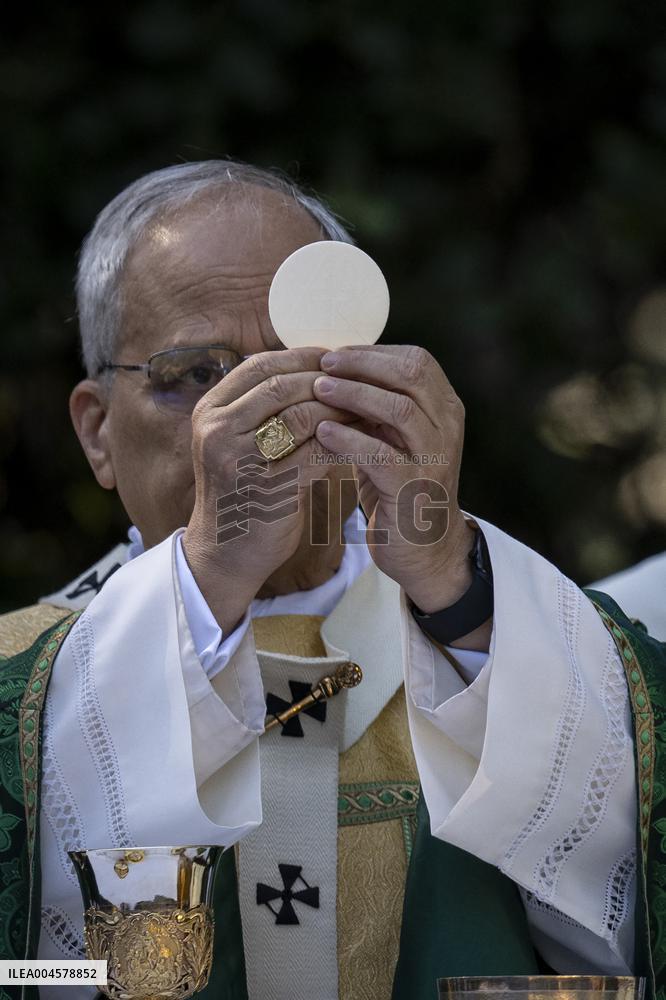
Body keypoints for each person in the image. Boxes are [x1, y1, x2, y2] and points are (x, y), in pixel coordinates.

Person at [0, 160, 662, 1000]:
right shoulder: (18, 691)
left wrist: (456, 588)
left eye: (304, 370)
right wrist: (209, 575)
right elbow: (23, 968)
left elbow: (628, 918)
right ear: (97, 433)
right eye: (199, 375)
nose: (260, 419)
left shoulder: (511, 635)